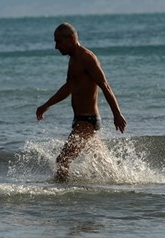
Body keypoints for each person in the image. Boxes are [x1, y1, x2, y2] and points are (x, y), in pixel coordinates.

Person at [36, 22, 126, 180]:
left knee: (62, 160)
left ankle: (62, 196)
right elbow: (68, 87)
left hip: (87, 121)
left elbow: (105, 86)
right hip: (80, 120)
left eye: (58, 41)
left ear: (70, 38)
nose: (56, 47)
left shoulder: (87, 58)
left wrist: (117, 114)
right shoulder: (73, 59)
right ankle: (120, 184)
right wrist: (46, 106)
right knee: (104, 165)